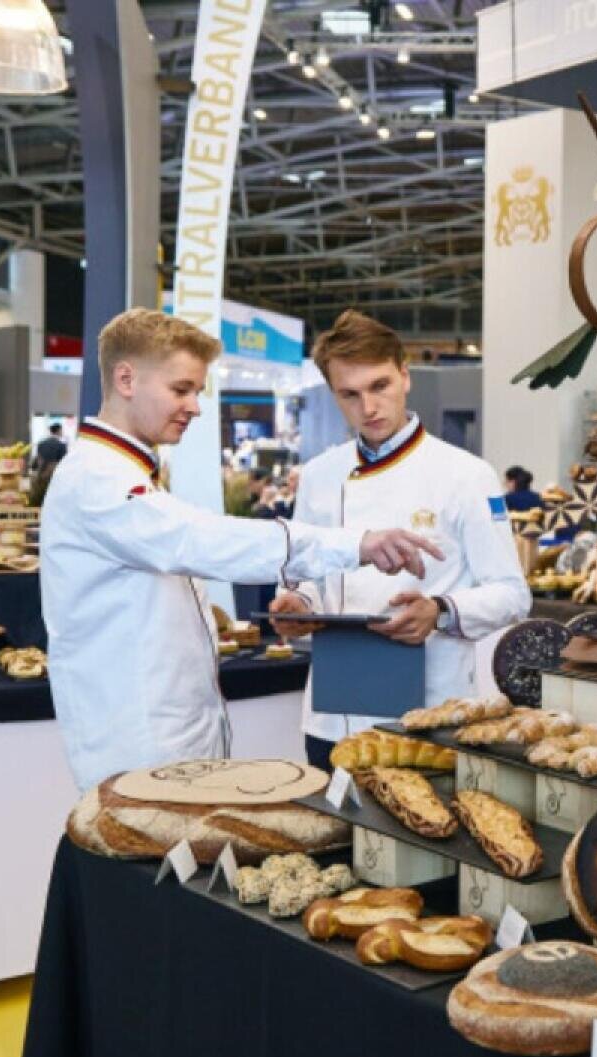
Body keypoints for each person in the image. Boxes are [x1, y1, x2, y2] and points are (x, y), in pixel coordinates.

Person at [41, 308, 439, 790]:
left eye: (196, 391)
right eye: (181, 389)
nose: (194, 406)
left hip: (167, 744)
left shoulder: (127, 472)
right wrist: (355, 545)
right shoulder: (96, 479)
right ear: (126, 379)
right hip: (136, 749)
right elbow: (204, 541)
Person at [269, 310, 531, 770]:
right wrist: (297, 605)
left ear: (405, 377)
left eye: (379, 386)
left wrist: (441, 610)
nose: (368, 408)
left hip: (428, 715)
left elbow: (513, 594)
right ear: (333, 395)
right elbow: (305, 578)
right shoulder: (318, 476)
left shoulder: (467, 475)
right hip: (332, 716)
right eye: (349, 394)